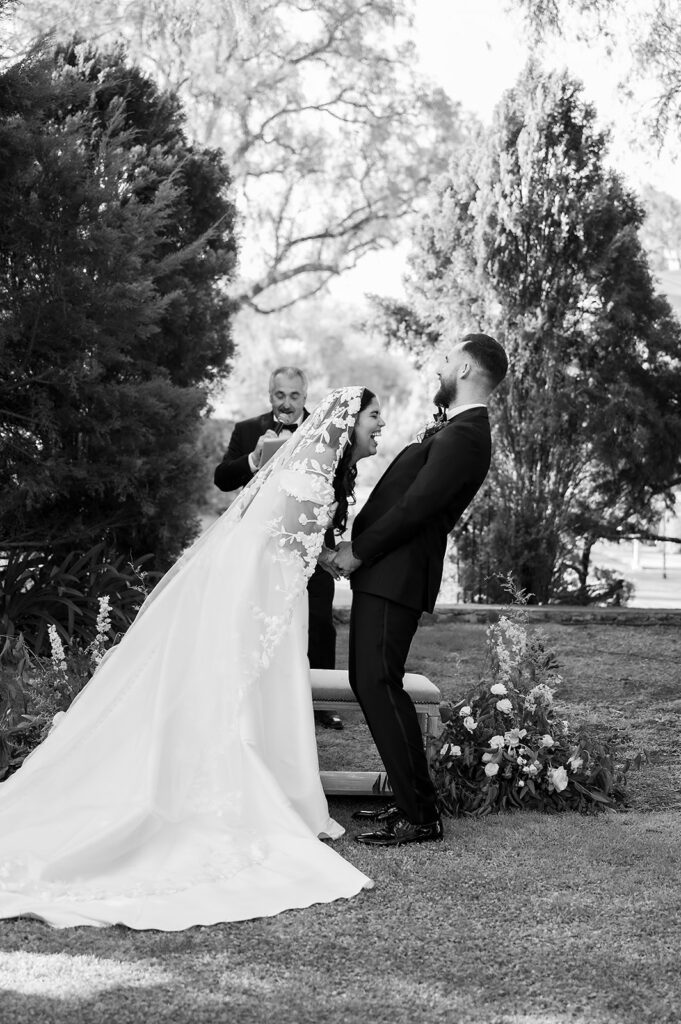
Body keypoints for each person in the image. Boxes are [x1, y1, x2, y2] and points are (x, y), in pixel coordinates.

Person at [0, 387, 383, 929]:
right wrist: (330, 557)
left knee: (261, 682)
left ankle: (276, 783)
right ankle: (242, 789)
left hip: (274, 582)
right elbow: (287, 523)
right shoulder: (315, 462)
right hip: (260, 584)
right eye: (374, 415)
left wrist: (324, 558)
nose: (381, 422)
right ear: (347, 422)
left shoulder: (321, 461)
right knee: (244, 681)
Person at [334, 334, 509, 848]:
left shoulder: (470, 434)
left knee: (375, 683)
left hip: (397, 573)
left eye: (448, 359)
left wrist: (359, 551)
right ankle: (413, 803)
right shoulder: (454, 429)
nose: (439, 366)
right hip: (389, 572)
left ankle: (419, 813)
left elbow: (416, 508)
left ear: (469, 368)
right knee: (374, 682)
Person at [214, 367, 343, 730]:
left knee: (319, 620)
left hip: (310, 541)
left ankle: (323, 703)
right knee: (261, 615)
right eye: (279, 396)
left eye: (294, 396)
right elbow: (223, 478)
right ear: (270, 395)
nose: (286, 404)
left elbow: (341, 478)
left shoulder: (326, 428)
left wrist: (333, 518)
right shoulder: (246, 430)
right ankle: (259, 695)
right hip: (262, 541)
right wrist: (254, 459)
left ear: (306, 396)